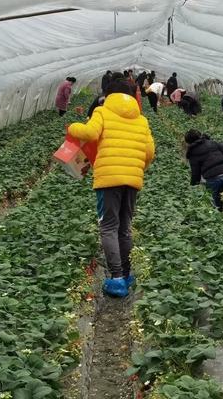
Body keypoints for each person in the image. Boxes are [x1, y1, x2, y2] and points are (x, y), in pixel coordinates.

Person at [68, 78, 155, 298]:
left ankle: (116, 278)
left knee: (108, 226)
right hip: (132, 180)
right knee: (124, 226)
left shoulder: (102, 112)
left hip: (109, 178)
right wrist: (136, 167)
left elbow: (89, 133)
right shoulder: (141, 120)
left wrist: (72, 127)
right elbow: (149, 153)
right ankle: (125, 274)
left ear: (109, 94)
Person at [185, 129, 223, 211]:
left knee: (215, 201)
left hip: (212, 178)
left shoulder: (192, 153)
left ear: (188, 142)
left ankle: (219, 214)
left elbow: (196, 173)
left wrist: (193, 187)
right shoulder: (211, 143)